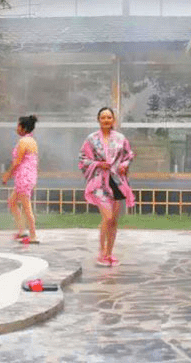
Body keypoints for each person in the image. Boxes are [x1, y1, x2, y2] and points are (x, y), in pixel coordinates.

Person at [78, 106, 135, 267]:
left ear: (113, 120)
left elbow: (129, 155)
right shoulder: (91, 139)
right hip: (99, 182)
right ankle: (101, 252)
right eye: (103, 117)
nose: (106, 120)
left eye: (109, 117)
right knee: (107, 217)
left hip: (117, 181)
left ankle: (110, 253)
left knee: (114, 221)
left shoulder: (120, 138)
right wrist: (97, 164)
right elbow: (82, 159)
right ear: (98, 120)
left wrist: (124, 164)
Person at [1, 114, 40, 244]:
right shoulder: (31, 141)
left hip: (24, 177)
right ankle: (22, 230)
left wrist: (7, 174)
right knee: (12, 202)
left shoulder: (24, 142)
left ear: (23, 128)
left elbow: (17, 161)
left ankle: (33, 235)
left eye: (18, 125)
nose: (16, 128)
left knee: (26, 207)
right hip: (27, 176)